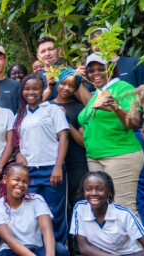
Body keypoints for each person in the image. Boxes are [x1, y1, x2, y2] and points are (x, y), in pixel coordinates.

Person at [88, 28, 144, 255]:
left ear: (113, 41)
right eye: (94, 42)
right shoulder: (94, 72)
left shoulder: (132, 63)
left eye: (103, 40)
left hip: (135, 132)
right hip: (105, 142)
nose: (99, 45)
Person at [78, 53, 144, 221]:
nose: (96, 73)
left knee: (124, 209)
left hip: (120, 155)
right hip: (95, 157)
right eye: (91, 70)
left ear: (111, 68)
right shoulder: (97, 94)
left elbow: (134, 122)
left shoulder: (124, 87)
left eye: (101, 68)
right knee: (103, 209)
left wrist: (115, 107)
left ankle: (140, 240)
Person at [13, 74, 69, 244]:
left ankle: (58, 248)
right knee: (31, 211)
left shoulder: (53, 110)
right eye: (27, 89)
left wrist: (58, 166)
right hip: (29, 171)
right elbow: (16, 142)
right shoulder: (20, 115)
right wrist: (18, 154)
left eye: (35, 88)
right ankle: (37, 247)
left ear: (42, 89)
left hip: (51, 168)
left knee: (55, 212)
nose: (31, 92)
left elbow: (64, 138)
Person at [70, 171, 144, 256]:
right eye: (88, 189)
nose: (93, 193)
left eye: (100, 189)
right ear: (84, 191)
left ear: (109, 192)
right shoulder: (80, 208)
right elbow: (84, 247)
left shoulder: (124, 214)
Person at [0, 164, 68, 256]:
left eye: (25, 181)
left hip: (34, 249)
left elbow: (47, 230)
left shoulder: (37, 200)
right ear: (5, 179)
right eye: (16, 180)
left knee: (59, 250)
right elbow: (9, 239)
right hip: (10, 251)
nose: (20, 184)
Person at [50, 69, 88, 208]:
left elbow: (83, 142)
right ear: (58, 83)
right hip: (53, 162)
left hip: (77, 162)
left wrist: (65, 120)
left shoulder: (80, 109)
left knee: (79, 200)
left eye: (71, 86)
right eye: (63, 84)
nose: (66, 88)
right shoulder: (47, 107)